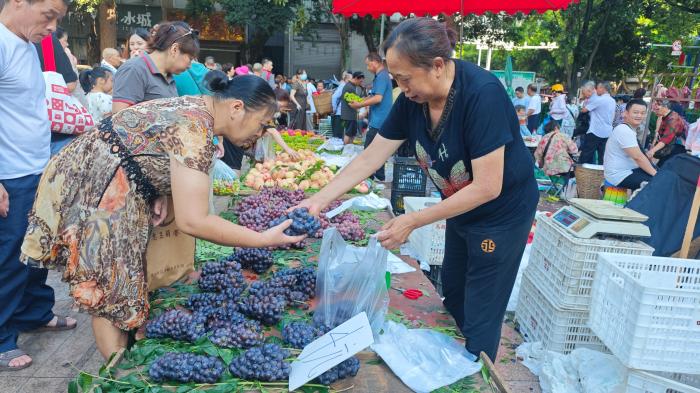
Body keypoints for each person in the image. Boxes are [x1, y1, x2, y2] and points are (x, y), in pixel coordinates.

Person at [294, 18, 538, 362]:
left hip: (500, 213)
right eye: (396, 79)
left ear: (437, 66)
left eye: (405, 78)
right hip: (460, 207)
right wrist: (318, 200)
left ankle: (476, 372)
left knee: (482, 303)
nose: (401, 87)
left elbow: (487, 186)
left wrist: (414, 220)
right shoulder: (412, 101)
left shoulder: (482, 94)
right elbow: (371, 156)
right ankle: (454, 361)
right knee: (452, 291)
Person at [20, 74, 305, 360]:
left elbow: (150, 145)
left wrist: (158, 188)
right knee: (109, 288)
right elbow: (193, 220)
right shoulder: (195, 128)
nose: (262, 132)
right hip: (96, 182)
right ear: (236, 108)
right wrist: (260, 239)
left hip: (109, 175)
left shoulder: (199, 110)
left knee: (122, 280)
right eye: (262, 123)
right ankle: (117, 376)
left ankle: (122, 357)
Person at [1, 0, 78, 371]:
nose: (52, 27)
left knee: (38, 248)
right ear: (19, 2)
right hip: (9, 175)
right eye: (48, 15)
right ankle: (1, 339)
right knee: (10, 257)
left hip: (36, 168)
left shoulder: (27, 46)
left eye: (57, 21)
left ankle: (35, 311)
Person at [112, 21, 197, 113]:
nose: (189, 66)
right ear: (174, 49)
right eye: (190, 58)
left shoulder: (168, 75)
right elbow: (119, 118)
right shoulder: (134, 69)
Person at [349, 52, 393, 181]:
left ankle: (369, 177)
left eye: (368, 65)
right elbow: (373, 95)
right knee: (378, 150)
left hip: (379, 120)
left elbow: (378, 98)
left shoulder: (382, 77)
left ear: (374, 62)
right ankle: (378, 175)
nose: (368, 68)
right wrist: (361, 100)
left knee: (369, 149)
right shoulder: (380, 76)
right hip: (378, 119)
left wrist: (360, 104)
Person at [604, 99, 656, 190]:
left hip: (628, 170)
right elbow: (638, 157)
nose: (639, 115)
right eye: (636, 112)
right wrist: (657, 175)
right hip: (619, 175)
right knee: (658, 182)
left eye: (643, 113)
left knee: (659, 173)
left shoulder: (629, 129)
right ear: (626, 113)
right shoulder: (624, 130)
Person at [579, 81, 616, 164]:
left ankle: (579, 172)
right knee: (602, 157)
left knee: (586, 154)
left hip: (596, 131)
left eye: (598, 88)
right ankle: (600, 174)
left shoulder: (600, 100)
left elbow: (584, 110)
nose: (596, 90)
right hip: (607, 132)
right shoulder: (612, 101)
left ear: (603, 89)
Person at [647, 100, 689, 167]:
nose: (654, 112)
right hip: (670, 144)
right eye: (653, 109)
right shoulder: (664, 116)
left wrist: (652, 151)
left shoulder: (673, 119)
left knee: (663, 166)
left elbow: (666, 138)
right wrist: (653, 146)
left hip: (678, 146)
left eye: (657, 109)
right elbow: (660, 133)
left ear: (665, 107)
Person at [340, 71, 365, 144]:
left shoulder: (351, 86)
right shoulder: (350, 87)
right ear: (356, 78)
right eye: (360, 81)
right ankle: (346, 150)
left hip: (349, 115)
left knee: (351, 134)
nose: (361, 83)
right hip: (349, 115)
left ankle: (349, 149)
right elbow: (355, 102)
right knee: (349, 134)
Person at [331, 71, 352, 139]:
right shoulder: (343, 86)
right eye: (350, 79)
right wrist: (334, 109)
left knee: (340, 133)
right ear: (346, 79)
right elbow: (334, 97)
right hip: (339, 114)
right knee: (338, 134)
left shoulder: (345, 86)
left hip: (342, 114)